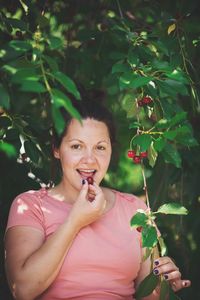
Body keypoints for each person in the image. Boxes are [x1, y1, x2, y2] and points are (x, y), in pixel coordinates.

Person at [4, 97, 191, 300]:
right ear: (56, 149)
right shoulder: (30, 206)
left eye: (100, 147)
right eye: (77, 146)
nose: (90, 160)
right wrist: (75, 221)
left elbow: (150, 295)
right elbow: (22, 289)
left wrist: (163, 284)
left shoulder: (134, 209)